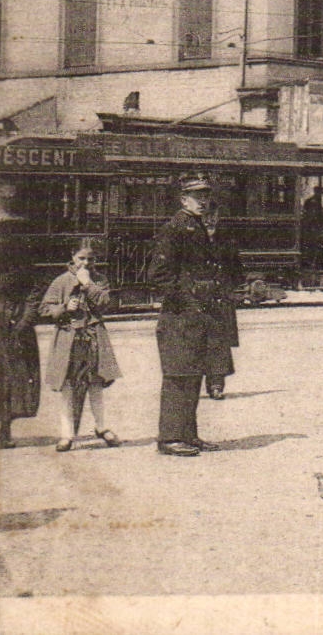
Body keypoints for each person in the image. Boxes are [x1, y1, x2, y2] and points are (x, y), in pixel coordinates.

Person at [146, 177, 223, 457]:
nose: (203, 202)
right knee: (178, 377)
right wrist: (188, 301)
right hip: (179, 317)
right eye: (196, 197)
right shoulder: (175, 228)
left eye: (206, 197)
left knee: (192, 375)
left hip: (195, 316)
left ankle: (188, 435)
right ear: (183, 200)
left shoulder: (196, 226)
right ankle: (169, 438)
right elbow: (159, 275)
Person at [38, 240, 123, 452]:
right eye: (81, 258)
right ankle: (66, 434)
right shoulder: (61, 281)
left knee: (96, 384)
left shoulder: (99, 280)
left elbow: (106, 303)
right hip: (68, 339)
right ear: (72, 257)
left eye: (90, 259)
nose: (86, 263)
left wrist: (88, 284)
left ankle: (101, 427)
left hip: (93, 338)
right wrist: (64, 307)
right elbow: (44, 309)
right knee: (67, 386)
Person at [0, 188, 42, 449]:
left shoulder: (18, 252)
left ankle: (5, 430)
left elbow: (33, 286)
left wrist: (24, 320)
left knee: (6, 374)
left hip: (7, 316)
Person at [201, 207, 242, 400]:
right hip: (198, 299)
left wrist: (227, 289)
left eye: (212, 220)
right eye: (206, 220)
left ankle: (216, 385)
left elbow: (237, 271)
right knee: (196, 342)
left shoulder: (227, 243)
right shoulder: (190, 242)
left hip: (220, 298)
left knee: (219, 343)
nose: (209, 224)